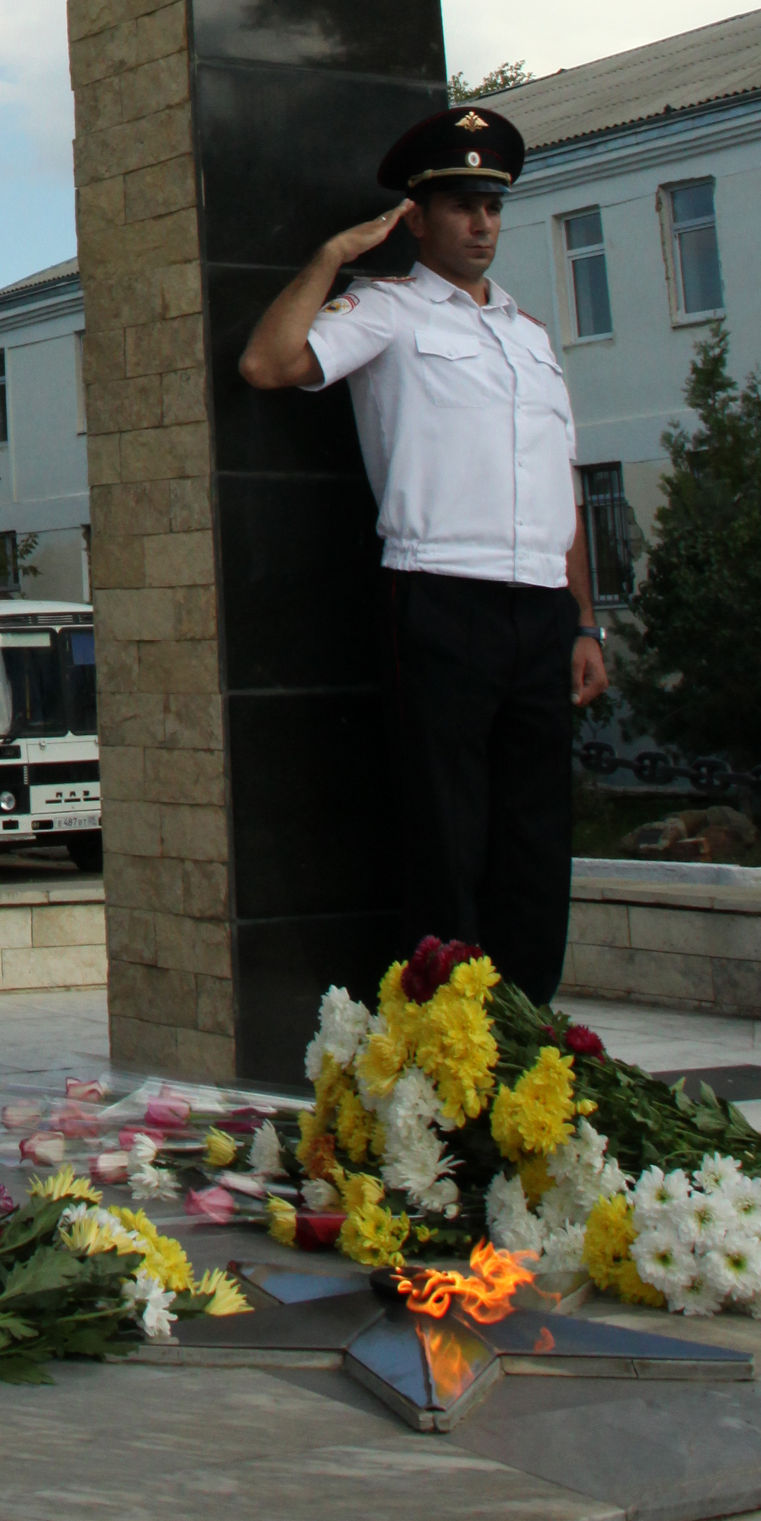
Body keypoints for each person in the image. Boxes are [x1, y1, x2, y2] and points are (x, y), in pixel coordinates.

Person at [238, 102, 607, 1002]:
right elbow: (267, 364)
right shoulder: (391, 312)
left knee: (534, 834)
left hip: (539, 608)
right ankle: (450, 1032)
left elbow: (562, 485)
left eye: (492, 205)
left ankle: (529, 1029)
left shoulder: (529, 336)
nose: (482, 224)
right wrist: (333, 259)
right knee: (447, 831)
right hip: (442, 595)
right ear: (419, 215)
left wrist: (586, 622)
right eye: (460, 206)